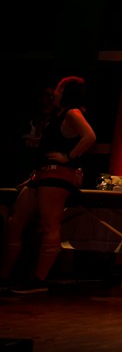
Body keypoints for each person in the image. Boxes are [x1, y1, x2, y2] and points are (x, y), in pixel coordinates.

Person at [0, 76, 96, 294]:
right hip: (42, 174)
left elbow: (89, 136)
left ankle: (38, 280)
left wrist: (68, 157)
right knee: (15, 223)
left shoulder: (73, 112)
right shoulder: (60, 114)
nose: (54, 92)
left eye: (59, 88)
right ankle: (4, 276)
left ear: (65, 91)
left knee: (49, 224)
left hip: (58, 174)